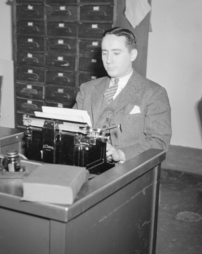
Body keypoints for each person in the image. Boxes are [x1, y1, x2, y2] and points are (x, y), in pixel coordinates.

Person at [73, 27, 172, 163]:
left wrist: (120, 154)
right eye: (105, 53)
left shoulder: (154, 93)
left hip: (128, 168)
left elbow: (159, 142)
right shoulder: (87, 88)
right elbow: (70, 127)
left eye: (116, 53)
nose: (108, 60)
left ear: (133, 55)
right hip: (85, 162)